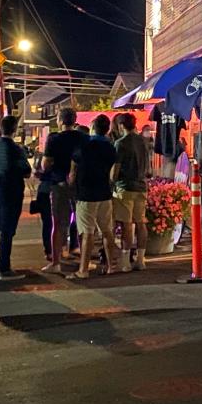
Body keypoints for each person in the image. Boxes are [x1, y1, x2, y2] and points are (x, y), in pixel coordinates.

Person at [67, 114, 119, 280]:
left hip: (86, 193)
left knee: (87, 232)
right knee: (107, 231)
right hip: (104, 193)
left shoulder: (84, 145)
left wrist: (71, 183)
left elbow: (73, 169)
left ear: (93, 127)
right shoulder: (110, 147)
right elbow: (113, 171)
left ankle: (83, 269)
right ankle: (111, 265)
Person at [0, 115, 31, 281]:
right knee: (7, 231)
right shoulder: (16, 150)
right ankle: (4, 268)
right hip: (10, 193)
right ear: (14, 129)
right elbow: (26, 171)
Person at [41, 107, 89, 274]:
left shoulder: (53, 139)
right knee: (83, 224)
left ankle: (56, 262)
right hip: (80, 185)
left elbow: (46, 164)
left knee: (58, 224)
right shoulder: (84, 138)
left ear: (59, 120)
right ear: (75, 120)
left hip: (59, 184)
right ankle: (85, 261)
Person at [112, 112, 151, 272]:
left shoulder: (120, 143)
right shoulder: (144, 141)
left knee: (127, 224)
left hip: (125, 187)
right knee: (141, 223)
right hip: (141, 186)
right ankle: (141, 260)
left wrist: (111, 182)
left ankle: (125, 261)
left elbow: (116, 168)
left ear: (121, 126)